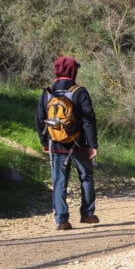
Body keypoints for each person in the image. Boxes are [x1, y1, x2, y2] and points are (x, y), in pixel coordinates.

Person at [35, 56, 99, 231]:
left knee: (59, 181)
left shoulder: (47, 93)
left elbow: (40, 120)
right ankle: (87, 214)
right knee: (86, 177)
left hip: (55, 144)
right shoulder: (80, 92)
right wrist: (93, 144)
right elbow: (88, 121)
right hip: (79, 145)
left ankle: (62, 220)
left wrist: (44, 141)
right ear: (73, 71)